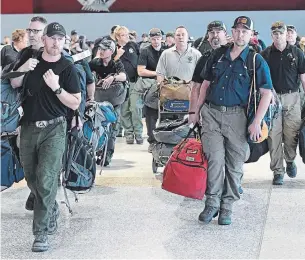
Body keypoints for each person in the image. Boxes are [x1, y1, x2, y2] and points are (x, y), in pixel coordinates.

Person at [193, 16, 273, 225]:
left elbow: (266, 93)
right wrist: (196, 111)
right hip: (211, 114)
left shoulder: (255, 60)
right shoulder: (218, 55)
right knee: (214, 161)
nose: (240, 34)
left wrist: (257, 121)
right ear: (232, 31)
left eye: (245, 31)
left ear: (251, 35)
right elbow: (204, 85)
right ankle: (212, 203)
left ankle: (227, 206)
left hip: (238, 117)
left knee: (235, 164)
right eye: (237, 30)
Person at [10, 22, 81, 252]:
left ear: (64, 42)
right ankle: (50, 209)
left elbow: (75, 101)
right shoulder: (30, 58)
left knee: (46, 178)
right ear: (44, 39)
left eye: (60, 39)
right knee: (31, 178)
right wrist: (23, 68)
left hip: (54, 129)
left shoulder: (67, 68)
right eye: (52, 38)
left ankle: (40, 233)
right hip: (28, 127)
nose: (55, 42)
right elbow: (14, 83)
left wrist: (57, 88)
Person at [261, 22, 305, 185]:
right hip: (272, 99)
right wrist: (268, 94)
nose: (278, 36)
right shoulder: (265, 54)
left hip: (293, 97)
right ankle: (278, 171)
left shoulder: (297, 53)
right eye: (275, 33)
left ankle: (290, 160)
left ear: (286, 34)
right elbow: (262, 79)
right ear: (272, 35)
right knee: (273, 136)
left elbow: (303, 77)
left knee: (291, 134)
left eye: (281, 33)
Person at [89, 37, 127, 165]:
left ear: (111, 51)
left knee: (113, 129)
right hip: (98, 99)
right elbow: (86, 73)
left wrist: (112, 78)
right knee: (96, 126)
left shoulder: (116, 64)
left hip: (114, 101)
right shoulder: (94, 63)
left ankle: (107, 155)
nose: (101, 51)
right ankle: (97, 151)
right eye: (100, 48)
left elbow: (123, 76)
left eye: (104, 49)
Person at [189, 21, 228, 123]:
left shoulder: (235, 55)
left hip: (234, 113)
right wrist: (193, 113)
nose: (215, 35)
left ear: (225, 34)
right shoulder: (204, 59)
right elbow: (196, 88)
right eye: (211, 33)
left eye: (218, 32)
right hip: (209, 112)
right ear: (208, 37)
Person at [113, 26, 142, 145]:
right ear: (118, 37)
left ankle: (138, 132)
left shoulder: (133, 46)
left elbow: (140, 59)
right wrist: (117, 56)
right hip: (121, 83)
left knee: (136, 107)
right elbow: (109, 64)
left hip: (135, 81)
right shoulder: (114, 48)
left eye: (127, 34)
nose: (127, 36)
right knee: (124, 109)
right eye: (124, 35)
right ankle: (129, 132)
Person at [137, 28, 165, 152]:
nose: (156, 41)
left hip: (166, 85)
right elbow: (140, 70)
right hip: (150, 86)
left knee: (167, 113)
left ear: (162, 39)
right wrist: (158, 74)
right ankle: (152, 140)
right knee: (150, 113)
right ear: (150, 39)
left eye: (158, 38)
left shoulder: (167, 51)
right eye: (153, 39)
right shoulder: (145, 51)